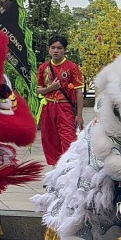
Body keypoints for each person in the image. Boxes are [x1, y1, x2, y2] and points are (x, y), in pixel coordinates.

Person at [36, 36, 84, 165]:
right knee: (49, 139)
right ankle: (55, 169)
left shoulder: (72, 67)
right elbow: (38, 90)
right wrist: (51, 88)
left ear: (64, 50)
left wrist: (79, 115)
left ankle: (69, 168)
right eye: (53, 48)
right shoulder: (43, 68)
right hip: (48, 107)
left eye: (59, 48)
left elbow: (79, 92)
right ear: (49, 49)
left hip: (65, 107)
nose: (56, 50)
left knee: (69, 138)